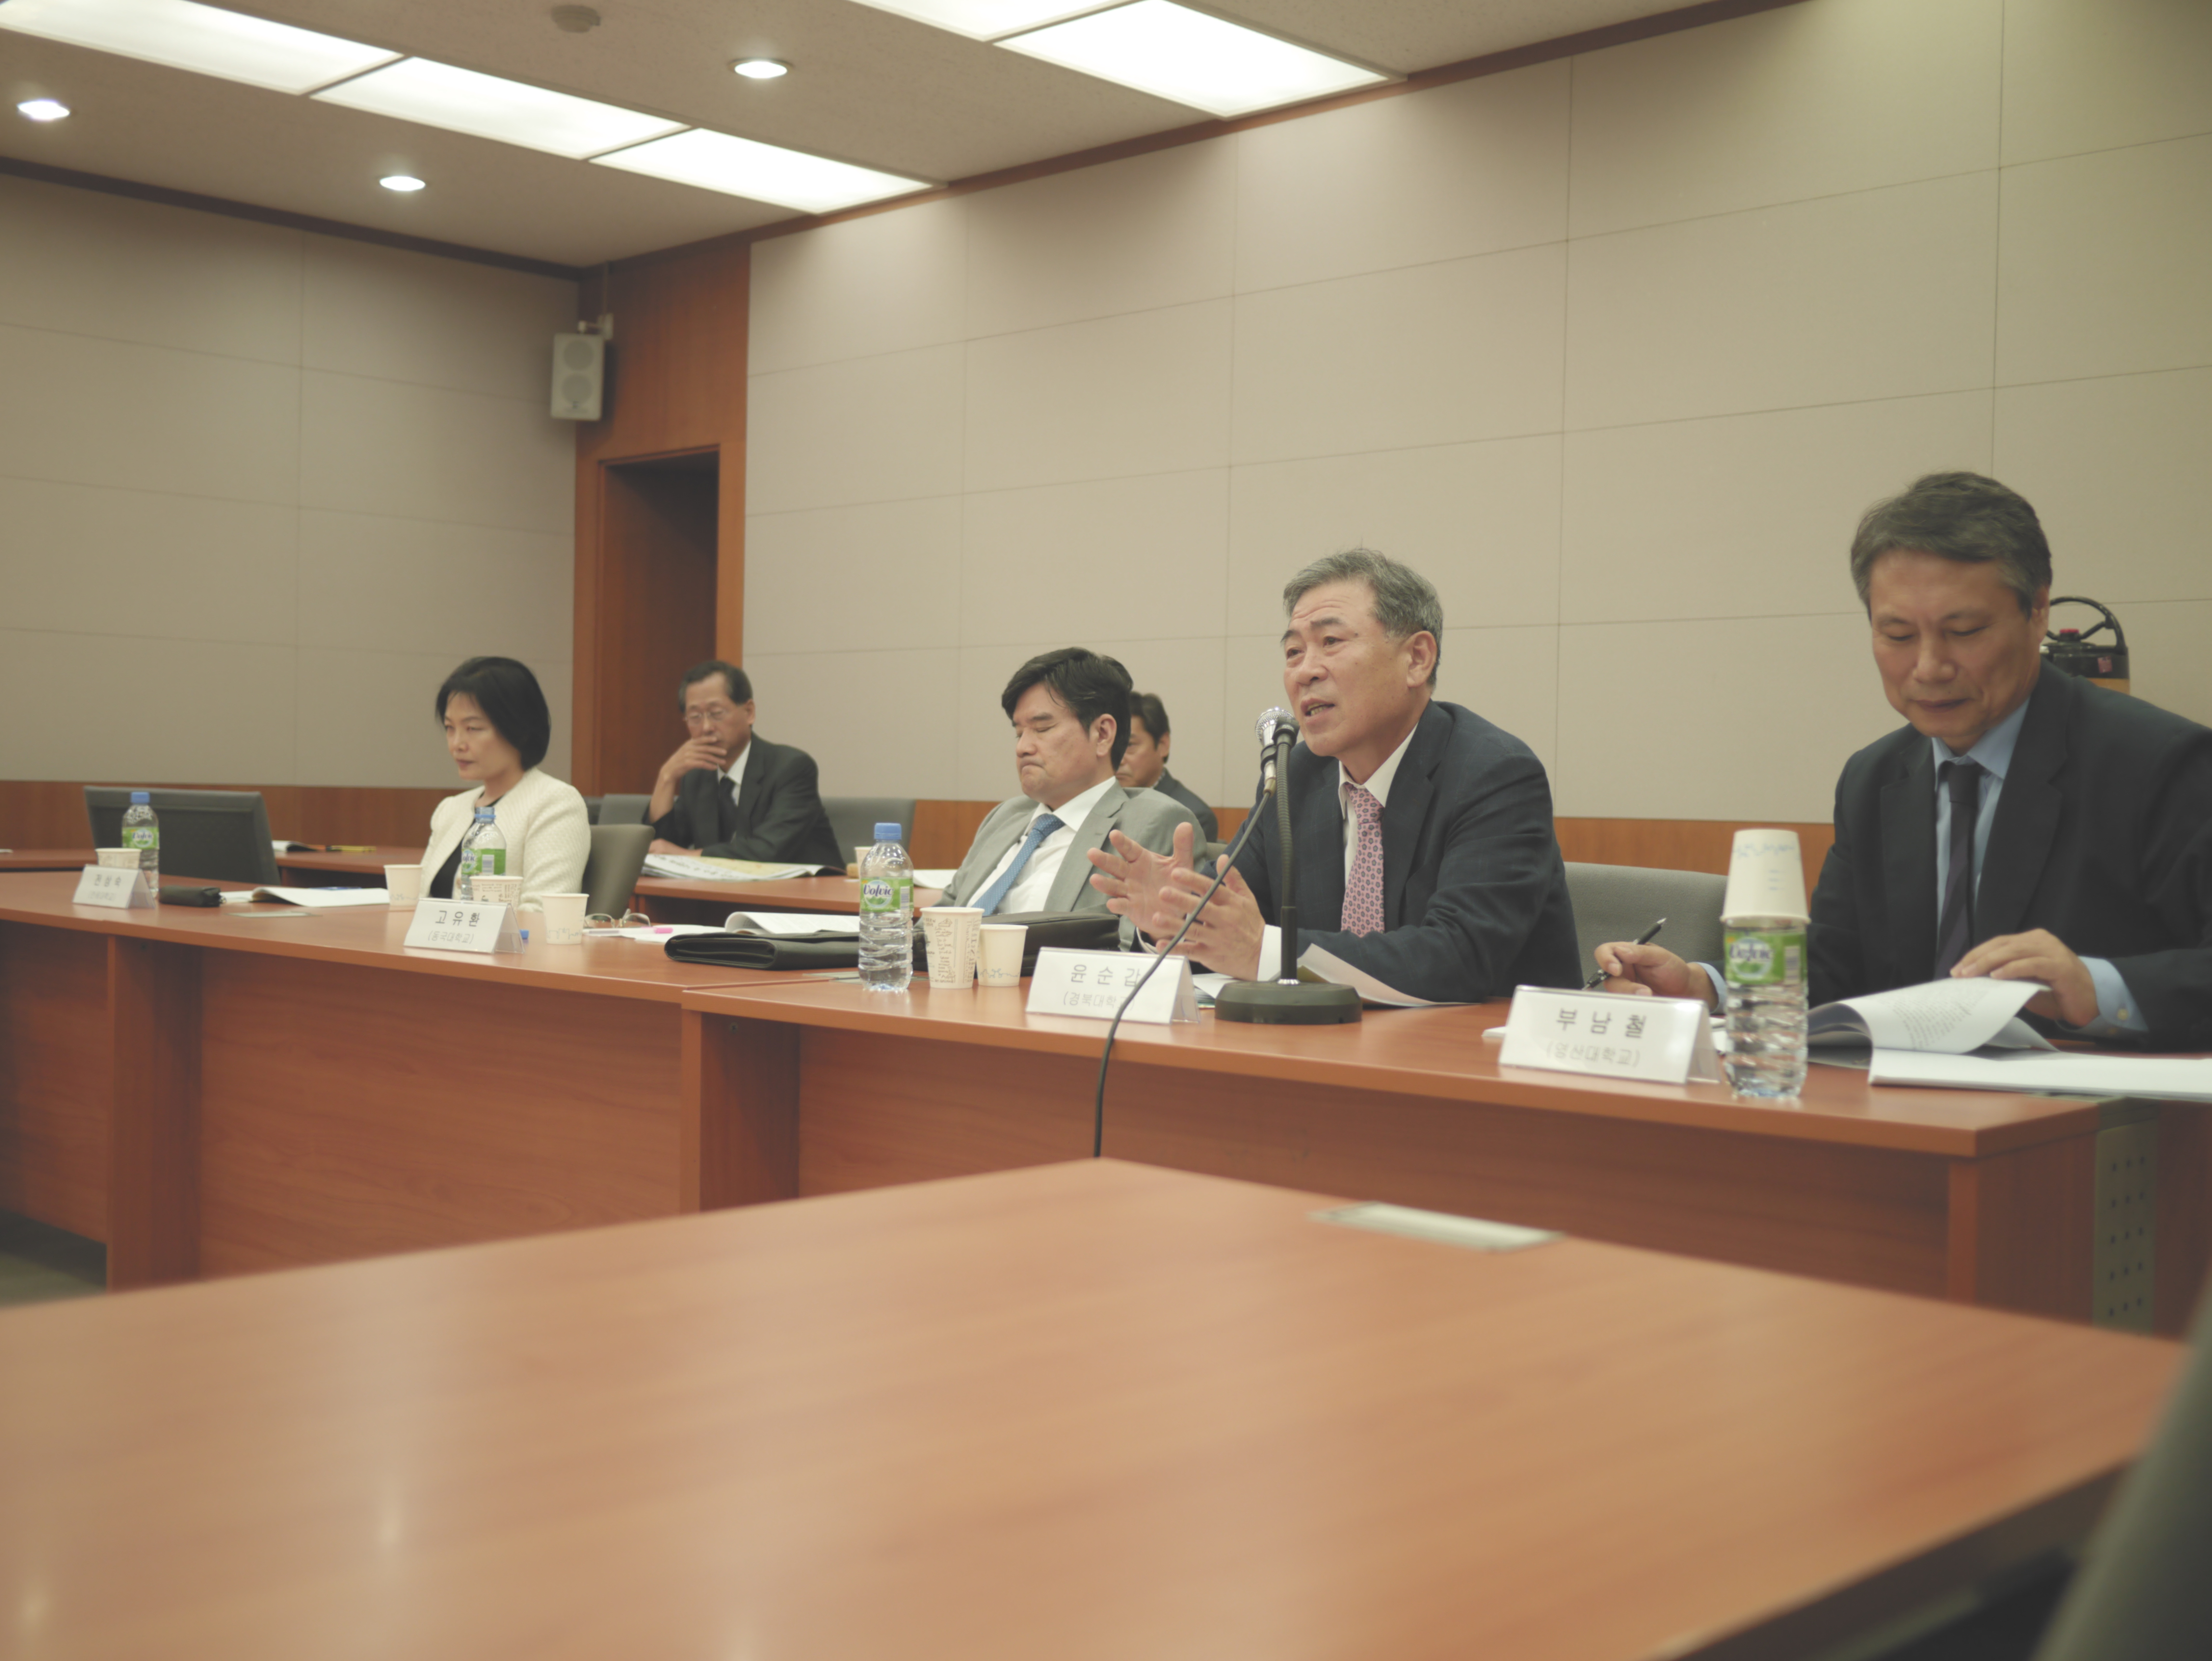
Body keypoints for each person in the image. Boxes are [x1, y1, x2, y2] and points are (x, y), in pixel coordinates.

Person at [1597, 472, 2212, 1048]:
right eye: (1897, 636)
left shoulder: (2159, 764)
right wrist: (1705, 987)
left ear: (2037, 611)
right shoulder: (1874, 778)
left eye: (1963, 631)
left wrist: (2097, 987)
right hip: (1902, 1105)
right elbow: (1838, 967)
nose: (1928, 667)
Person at [1089, 549, 1580, 1001]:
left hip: (1475, 1053)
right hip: (1328, 1047)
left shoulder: (1493, 774)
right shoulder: (1295, 777)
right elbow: (1230, 931)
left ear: (1416, 658)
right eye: (1293, 652)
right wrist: (1176, 916)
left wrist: (1266, 951)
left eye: (1330, 642)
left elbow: (1459, 956)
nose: (1305, 671)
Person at [942, 648, 1198, 916]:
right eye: (1019, 733)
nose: (1022, 748)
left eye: (1042, 729)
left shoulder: (1152, 823)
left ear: (1102, 734)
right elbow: (944, 912)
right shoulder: (1006, 816)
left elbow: (1141, 936)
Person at [421, 656, 590, 906]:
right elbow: (419, 901)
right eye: (450, 728)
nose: (457, 744)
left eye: (473, 729)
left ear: (518, 728)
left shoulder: (555, 803)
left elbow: (543, 912)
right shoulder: (450, 809)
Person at [647, 661, 840, 869]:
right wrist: (666, 777)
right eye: (695, 717)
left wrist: (690, 856)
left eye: (716, 713)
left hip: (804, 887)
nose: (706, 727)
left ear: (749, 712)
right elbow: (661, 848)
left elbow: (768, 850)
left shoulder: (791, 768)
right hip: (724, 888)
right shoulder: (698, 776)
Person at [1119, 692, 1218, 843]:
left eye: (1130, 745)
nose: (1119, 760)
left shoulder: (1192, 816)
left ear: (1163, 745)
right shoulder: (1100, 804)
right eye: (1113, 747)